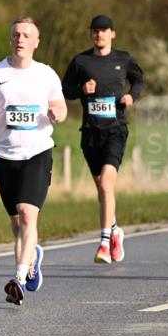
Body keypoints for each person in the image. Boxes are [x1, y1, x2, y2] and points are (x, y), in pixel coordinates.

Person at [0, 16, 67, 305]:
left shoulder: (46, 74)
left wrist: (58, 114)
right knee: (17, 225)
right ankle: (32, 254)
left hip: (37, 153)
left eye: (26, 35)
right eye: (16, 35)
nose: (20, 39)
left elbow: (60, 106)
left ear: (36, 42)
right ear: (10, 40)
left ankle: (19, 278)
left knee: (27, 214)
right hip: (3, 155)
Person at [62, 15, 144, 264]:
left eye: (104, 31)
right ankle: (116, 230)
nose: (99, 35)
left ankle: (104, 244)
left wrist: (132, 96)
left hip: (116, 130)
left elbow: (139, 79)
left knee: (107, 185)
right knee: (102, 189)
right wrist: (80, 91)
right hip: (90, 132)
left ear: (112, 34)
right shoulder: (81, 61)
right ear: (91, 34)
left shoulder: (123, 59)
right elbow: (64, 89)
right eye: (95, 31)